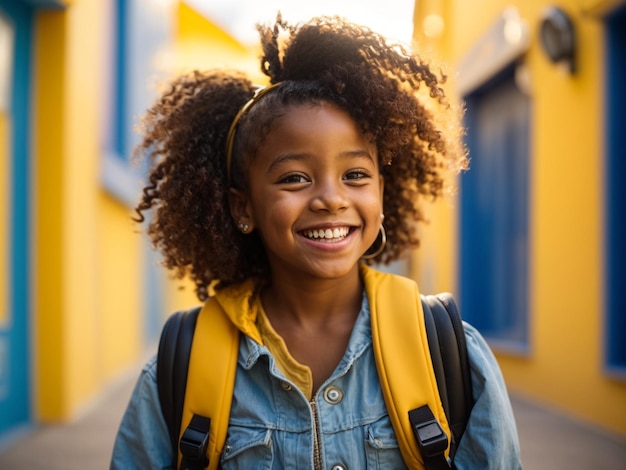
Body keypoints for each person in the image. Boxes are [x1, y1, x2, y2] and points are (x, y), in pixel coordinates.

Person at [110, 14, 522, 470]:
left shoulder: (448, 353)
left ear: (382, 194)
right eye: (295, 178)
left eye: (355, 175)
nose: (331, 198)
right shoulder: (183, 365)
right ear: (242, 207)